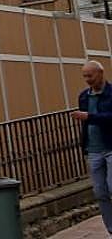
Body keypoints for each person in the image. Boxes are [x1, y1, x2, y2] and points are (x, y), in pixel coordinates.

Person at [75, 60, 112, 235]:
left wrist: (89, 116)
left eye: (90, 75)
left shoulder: (111, 93)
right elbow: (85, 123)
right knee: (99, 191)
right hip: (94, 150)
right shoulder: (84, 96)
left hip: (110, 146)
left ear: (100, 73)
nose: (87, 79)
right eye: (85, 76)